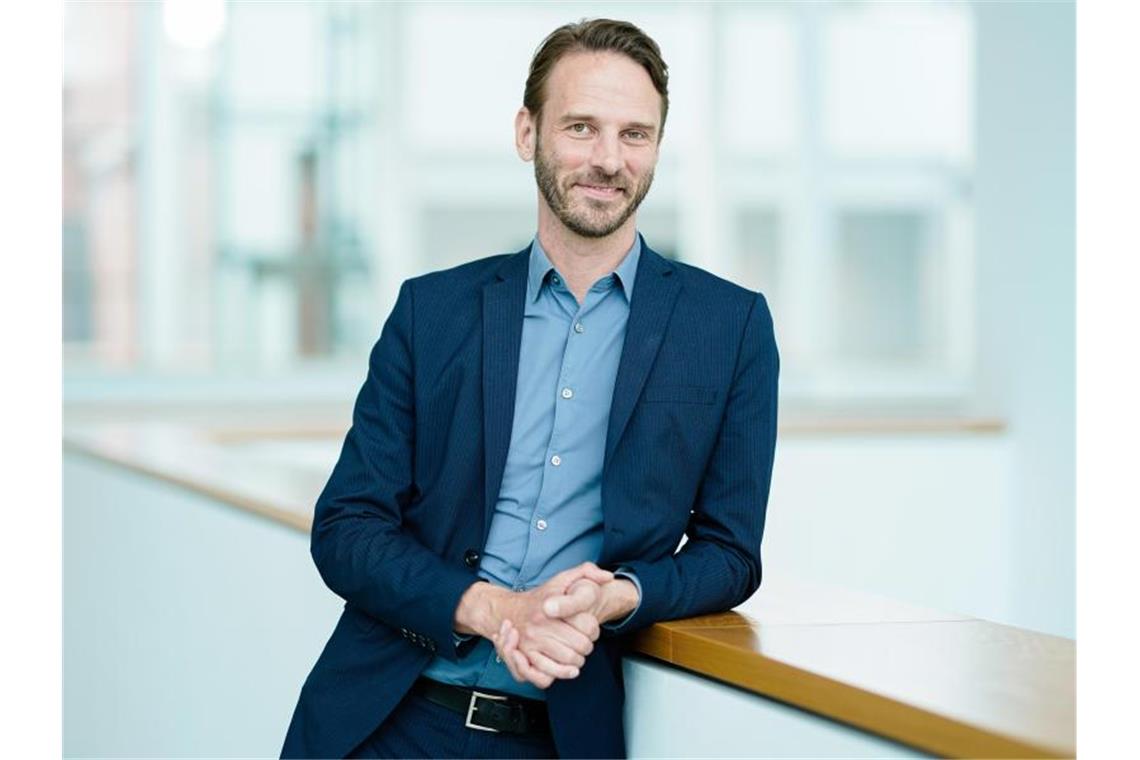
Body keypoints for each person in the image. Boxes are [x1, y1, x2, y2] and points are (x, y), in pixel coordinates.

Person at [281, 17, 778, 760]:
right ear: (527, 133)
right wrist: (493, 610)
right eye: (582, 127)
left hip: (560, 737)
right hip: (386, 721)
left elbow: (731, 554)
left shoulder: (729, 326)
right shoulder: (433, 312)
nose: (608, 159)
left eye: (635, 135)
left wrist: (621, 596)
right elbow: (346, 527)